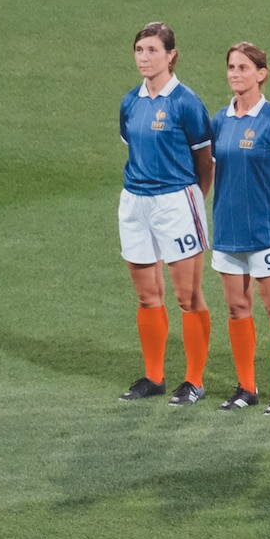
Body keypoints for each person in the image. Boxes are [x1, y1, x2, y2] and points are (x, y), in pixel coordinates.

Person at [116, 22, 214, 404]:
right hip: (135, 202)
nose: (144, 58)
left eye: (152, 50)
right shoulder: (130, 102)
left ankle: (194, 380)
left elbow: (206, 161)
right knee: (147, 296)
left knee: (188, 296)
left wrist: (193, 200)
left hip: (176, 201)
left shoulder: (186, 103)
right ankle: (154, 377)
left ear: (171, 55)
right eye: (139, 50)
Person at [208, 43, 270, 414]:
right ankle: (246, 388)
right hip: (228, 231)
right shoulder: (219, 121)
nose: (235, 74)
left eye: (244, 67)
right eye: (231, 67)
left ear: (261, 74)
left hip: (268, 233)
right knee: (237, 308)